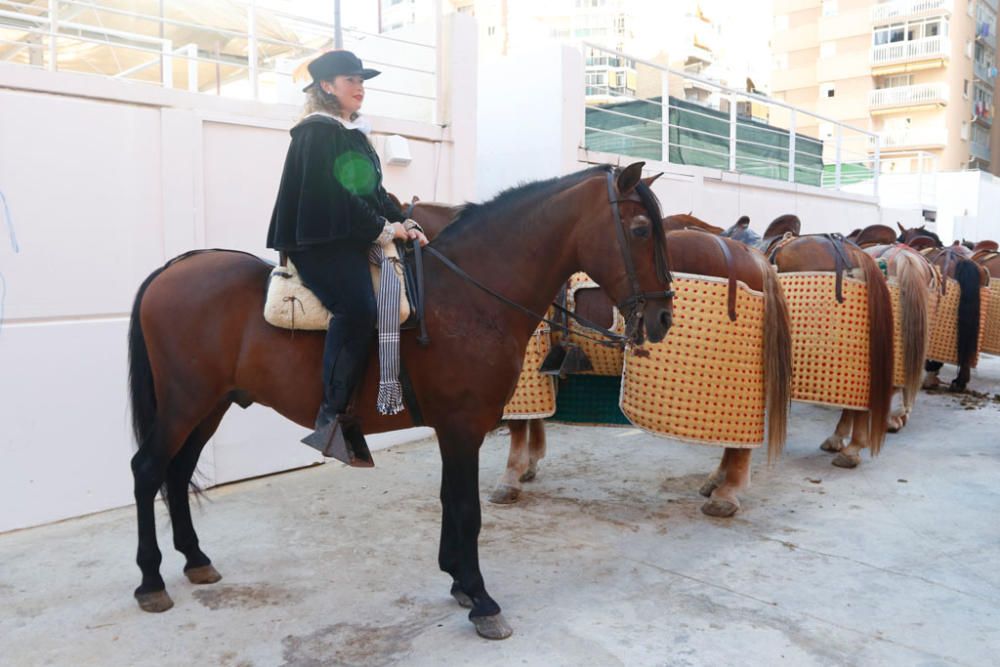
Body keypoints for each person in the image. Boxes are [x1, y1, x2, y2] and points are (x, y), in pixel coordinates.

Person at [266, 50, 428, 465]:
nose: (359, 87)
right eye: (349, 80)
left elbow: (370, 193)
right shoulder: (317, 132)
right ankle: (332, 417)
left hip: (348, 235)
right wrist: (382, 229)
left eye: (361, 80)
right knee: (357, 308)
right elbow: (335, 197)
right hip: (319, 241)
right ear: (326, 86)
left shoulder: (354, 133)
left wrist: (404, 222)